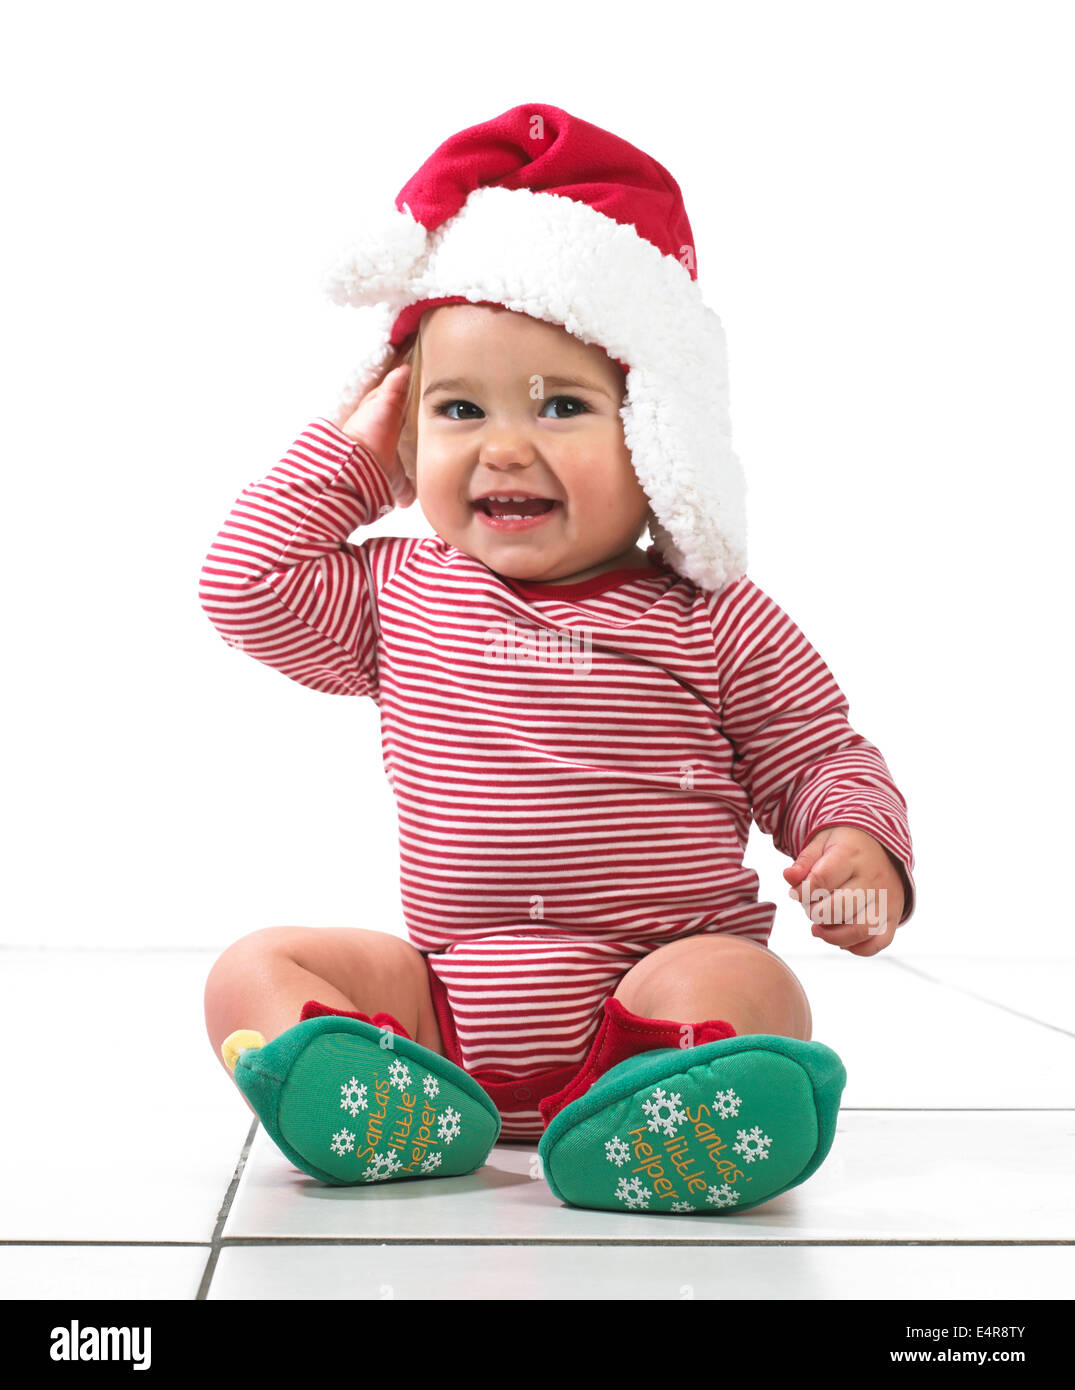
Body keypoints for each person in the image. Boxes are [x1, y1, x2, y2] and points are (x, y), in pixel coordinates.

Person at [198, 104, 914, 1215]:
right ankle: (387, 1104)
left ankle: (654, 1113)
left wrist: (856, 843)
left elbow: (815, 751)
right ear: (406, 433)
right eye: (457, 408)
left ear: (658, 432)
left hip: (651, 992)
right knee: (252, 966)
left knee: (749, 984)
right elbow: (245, 587)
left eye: (564, 405)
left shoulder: (711, 617)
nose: (504, 446)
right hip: (443, 1009)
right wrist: (352, 449)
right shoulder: (401, 594)